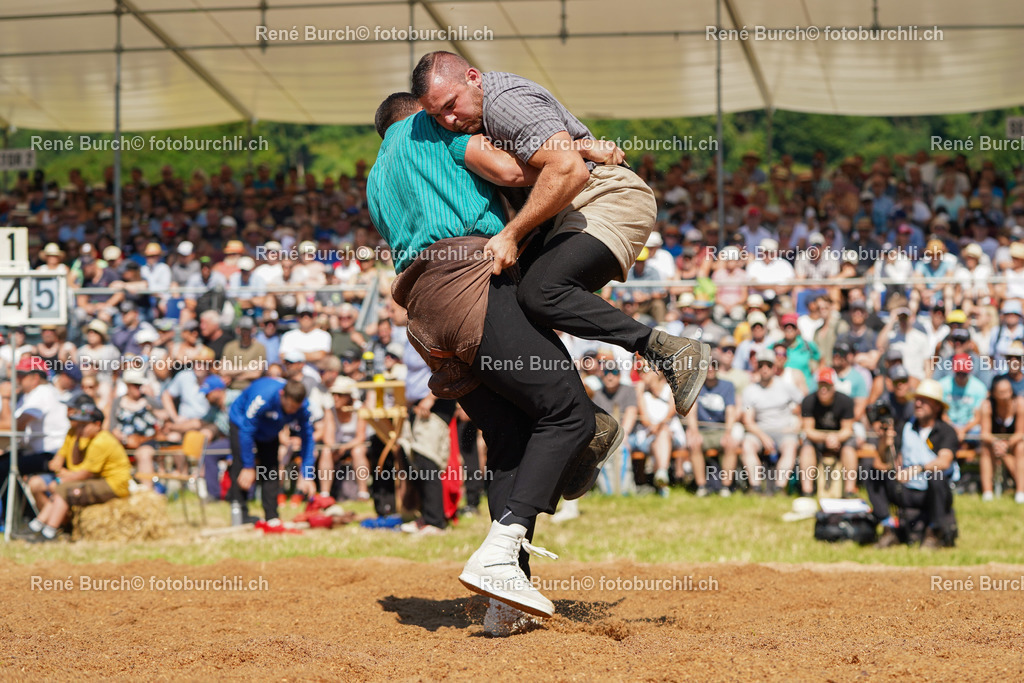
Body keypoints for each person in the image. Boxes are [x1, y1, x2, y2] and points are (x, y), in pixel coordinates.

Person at [368, 92, 621, 626]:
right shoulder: (433, 131)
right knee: (570, 415)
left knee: (510, 441)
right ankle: (499, 554)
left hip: (424, 316)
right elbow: (513, 171)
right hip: (470, 284)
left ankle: (506, 601)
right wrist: (579, 150)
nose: (456, 119)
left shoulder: (376, 178)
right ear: (421, 113)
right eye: (442, 112)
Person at [412, 51, 710, 417]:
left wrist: (511, 233)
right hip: (566, 212)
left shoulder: (504, 102)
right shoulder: (472, 118)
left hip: (603, 198)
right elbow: (552, 159)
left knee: (541, 292)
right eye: (437, 115)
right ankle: (581, 417)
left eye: (451, 105)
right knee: (508, 307)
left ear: (473, 77)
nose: (448, 119)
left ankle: (668, 351)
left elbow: (569, 171)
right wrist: (580, 146)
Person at [19, 402, 131, 543]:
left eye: (84, 425)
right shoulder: (86, 438)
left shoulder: (101, 441)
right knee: (60, 488)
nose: (80, 428)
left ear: (97, 424)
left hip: (113, 485)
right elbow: (72, 465)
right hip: (99, 480)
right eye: (79, 424)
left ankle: (49, 531)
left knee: (63, 489)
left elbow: (85, 473)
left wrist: (64, 477)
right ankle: (39, 526)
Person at [870, 379, 960, 549]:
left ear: (937, 406)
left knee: (937, 477)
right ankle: (888, 528)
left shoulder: (946, 431)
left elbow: (944, 461)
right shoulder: (905, 427)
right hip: (905, 489)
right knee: (873, 473)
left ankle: (934, 533)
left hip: (931, 492)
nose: (918, 404)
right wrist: (884, 442)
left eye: (924, 401)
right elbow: (883, 462)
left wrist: (916, 469)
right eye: (917, 399)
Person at [226, 377, 316, 527]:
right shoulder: (262, 398)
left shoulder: (304, 407)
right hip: (242, 423)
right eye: (289, 406)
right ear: (282, 395)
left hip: (270, 430)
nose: (292, 411)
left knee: (271, 469)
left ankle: (271, 515)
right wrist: (248, 466)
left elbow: (308, 438)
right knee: (241, 467)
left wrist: (307, 473)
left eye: (295, 408)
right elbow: (246, 431)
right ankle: (240, 514)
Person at [741, 348, 803, 494]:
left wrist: (798, 424)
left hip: (784, 430)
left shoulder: (786, 387)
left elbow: (804, 405)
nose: (764, 369)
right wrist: (763, 437)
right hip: (759, 431)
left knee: (790, 446)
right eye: (761, 365)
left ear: (774, 367)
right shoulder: (750, 390)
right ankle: (755, 487)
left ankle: (779, 488)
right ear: (757, 367)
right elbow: (748, 420)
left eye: (768, 365)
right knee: (747, 445)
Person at [1, 357, 71, 484]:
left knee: (3, 466)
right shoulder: (31, 394)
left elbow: (14, 426)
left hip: (51, 454)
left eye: (21, 375)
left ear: (35, 378)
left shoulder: (42, 392)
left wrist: (5, 397)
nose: (17, 379)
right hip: (41, 452)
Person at [800, 367, 858, 498]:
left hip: (840, 439)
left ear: (834, 386)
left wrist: (836, 438)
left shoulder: (846, 401)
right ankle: (807, 491)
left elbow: (847, 430)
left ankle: (849, 491)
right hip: (818, 439)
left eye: (827, 385)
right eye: (821, 385)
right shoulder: (808, 401)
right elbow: (808, 430)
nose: (823, 389)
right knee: (806, 448)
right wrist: (826, 438)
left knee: (849, 449)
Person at [686, 359, 740, 496]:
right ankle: (701, 487)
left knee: (731, 444)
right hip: (702, 431)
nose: (710, 368)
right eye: (706, 366)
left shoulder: (728, 386)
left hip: (720, 430)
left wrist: (728, 433)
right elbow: (692, 412)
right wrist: (694, 432)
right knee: (694, 443)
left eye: (713, 365)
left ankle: (726, 487)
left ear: (718, 368)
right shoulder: (695, 385)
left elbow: (731, 412)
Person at [978, 376, 1024, 503]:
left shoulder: (1020, 403)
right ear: (993, 393)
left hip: (1013, 443)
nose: (1006, 395)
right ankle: (987, 492)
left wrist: (1006, 445)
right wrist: (996, 443)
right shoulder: (987, 405)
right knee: (985, 448)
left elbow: (1020, 432)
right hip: (993, 443)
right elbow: (984, 433)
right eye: (1002, 392)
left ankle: (1021, 492)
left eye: (1008, 391)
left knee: (1021, 447)